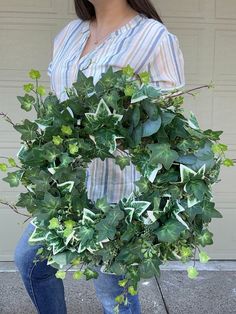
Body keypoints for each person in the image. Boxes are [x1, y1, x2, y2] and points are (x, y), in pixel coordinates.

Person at [14, 0, 185, 313]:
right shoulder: (69, 33)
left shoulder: (153, 38)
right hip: (65, 187)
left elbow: (167, 126)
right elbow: (56, 105)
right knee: (30, 263)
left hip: (117, 193)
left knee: (113, 296)